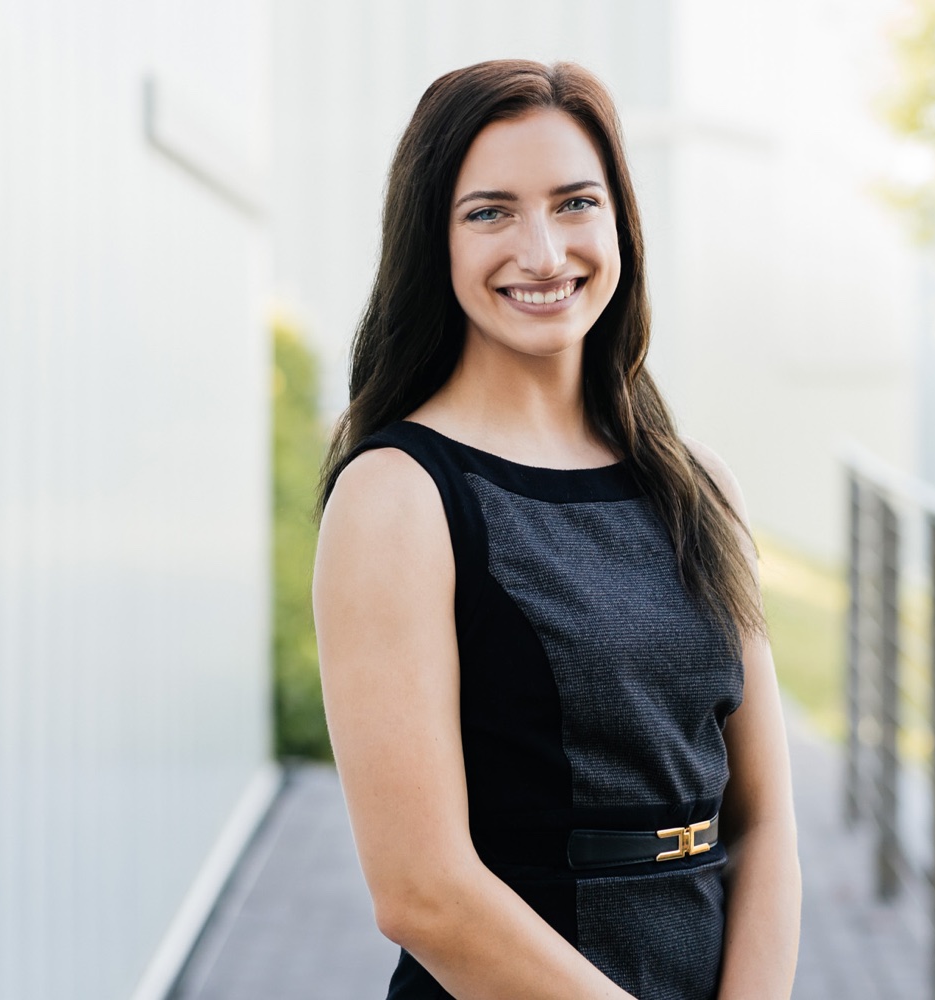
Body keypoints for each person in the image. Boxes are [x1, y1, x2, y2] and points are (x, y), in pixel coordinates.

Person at [313, 59, 801, 999]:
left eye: (575, 202)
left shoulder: (699, 485)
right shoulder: (398, 497)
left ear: (620, 222)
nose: (543, 252)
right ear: (433, 243)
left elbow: (764, 820)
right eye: (490, 212)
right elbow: (423, 893)